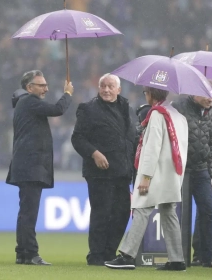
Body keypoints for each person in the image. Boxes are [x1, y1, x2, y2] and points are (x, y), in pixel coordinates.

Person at [104, 86, 188, 271]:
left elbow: (152, 147)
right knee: (169, 213)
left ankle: (127, 255)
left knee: (141, 209)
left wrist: (146, 177)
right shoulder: (178, 116)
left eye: (146, 92)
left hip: (155, 174)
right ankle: (177, 260)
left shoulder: (158, 114)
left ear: (150, 94)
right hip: (173, 174)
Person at [6, 70, 73, 265]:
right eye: (41, 85)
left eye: (45, 84)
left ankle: (23, 253)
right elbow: (57, 110)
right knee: (29, 212)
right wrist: (67, 93)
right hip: (31, 165)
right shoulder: (29, 102)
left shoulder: (24, 104)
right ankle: (31, 253)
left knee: (26, 211)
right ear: (29, 87)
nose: (46, 88)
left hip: (27, 164)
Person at [71, 73, 136, 266]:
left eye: (110, 86)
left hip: (123, 172)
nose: (106, 90)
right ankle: (96, 255)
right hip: (100, 173)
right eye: (103, 86)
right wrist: (94, 153)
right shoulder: (88, 109)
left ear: (119, 89)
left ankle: (109, 253)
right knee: (102, 213)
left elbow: (131, 137)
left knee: (122, 213)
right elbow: (77, 138)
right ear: (98, 88)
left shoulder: (127, 108)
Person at [171, 90, 212, 267]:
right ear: (194, 93)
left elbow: (211, 143)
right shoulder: (179, 107)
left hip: (201, 170)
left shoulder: (210, 113)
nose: (209, 99)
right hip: (182, 170)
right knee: (181, 214)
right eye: (206, 94)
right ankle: (179, 255)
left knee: (208, 210)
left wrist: (211, 172)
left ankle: (207, 257)